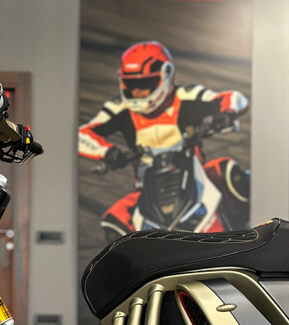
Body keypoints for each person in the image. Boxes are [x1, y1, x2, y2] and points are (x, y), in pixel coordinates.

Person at [78, 41, 249, 235]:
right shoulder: (119, 108)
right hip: (146, 190)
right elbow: (82, 134)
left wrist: (227, 113)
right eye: (131, 84)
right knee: (113, 222)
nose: (137, 91)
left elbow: (234, 97)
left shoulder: (186, 96)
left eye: (144, 84)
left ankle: (248, 233)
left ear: (165, 75)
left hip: (198, 178)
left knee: (229, 172)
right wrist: (107, 152)